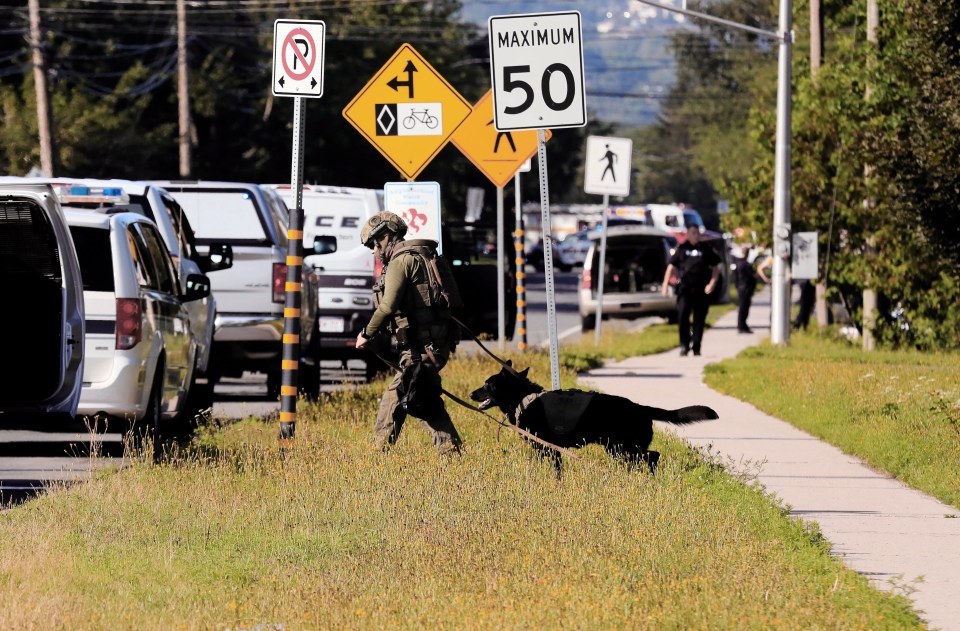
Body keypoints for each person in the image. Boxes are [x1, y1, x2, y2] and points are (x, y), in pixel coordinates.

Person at [355, 211, 463, 456]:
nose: (374, 251)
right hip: (434, 343)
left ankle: (377, 455)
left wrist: (366, 333)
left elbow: (387, 306)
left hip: (421, 348)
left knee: (410, 397)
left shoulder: (401, 261)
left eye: (374, 244)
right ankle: (450, 453)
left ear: (386, 237)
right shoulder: (422, 256)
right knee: (417, 397)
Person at [661, 225, 722, 356]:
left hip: (701, 289)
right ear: (688, 234)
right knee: (683, 316)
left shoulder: (706, 249)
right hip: (685, 289)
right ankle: (684, 345)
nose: (696, 235)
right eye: (693, 233)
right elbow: (671, 266)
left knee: (699, 319)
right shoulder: (682, 248)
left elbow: (717, 267)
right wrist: (665, 285)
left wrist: (712, 283)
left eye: (697, 233)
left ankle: (696, 346)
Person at [732, 244, 761, 334]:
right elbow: (752, 276)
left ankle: (742, 325)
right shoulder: (746, 265)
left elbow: (735, 277)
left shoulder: (738, 264)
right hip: (746, 288)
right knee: (744, 308)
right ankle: (742, 326)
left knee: (742, 308)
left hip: (740, 288)